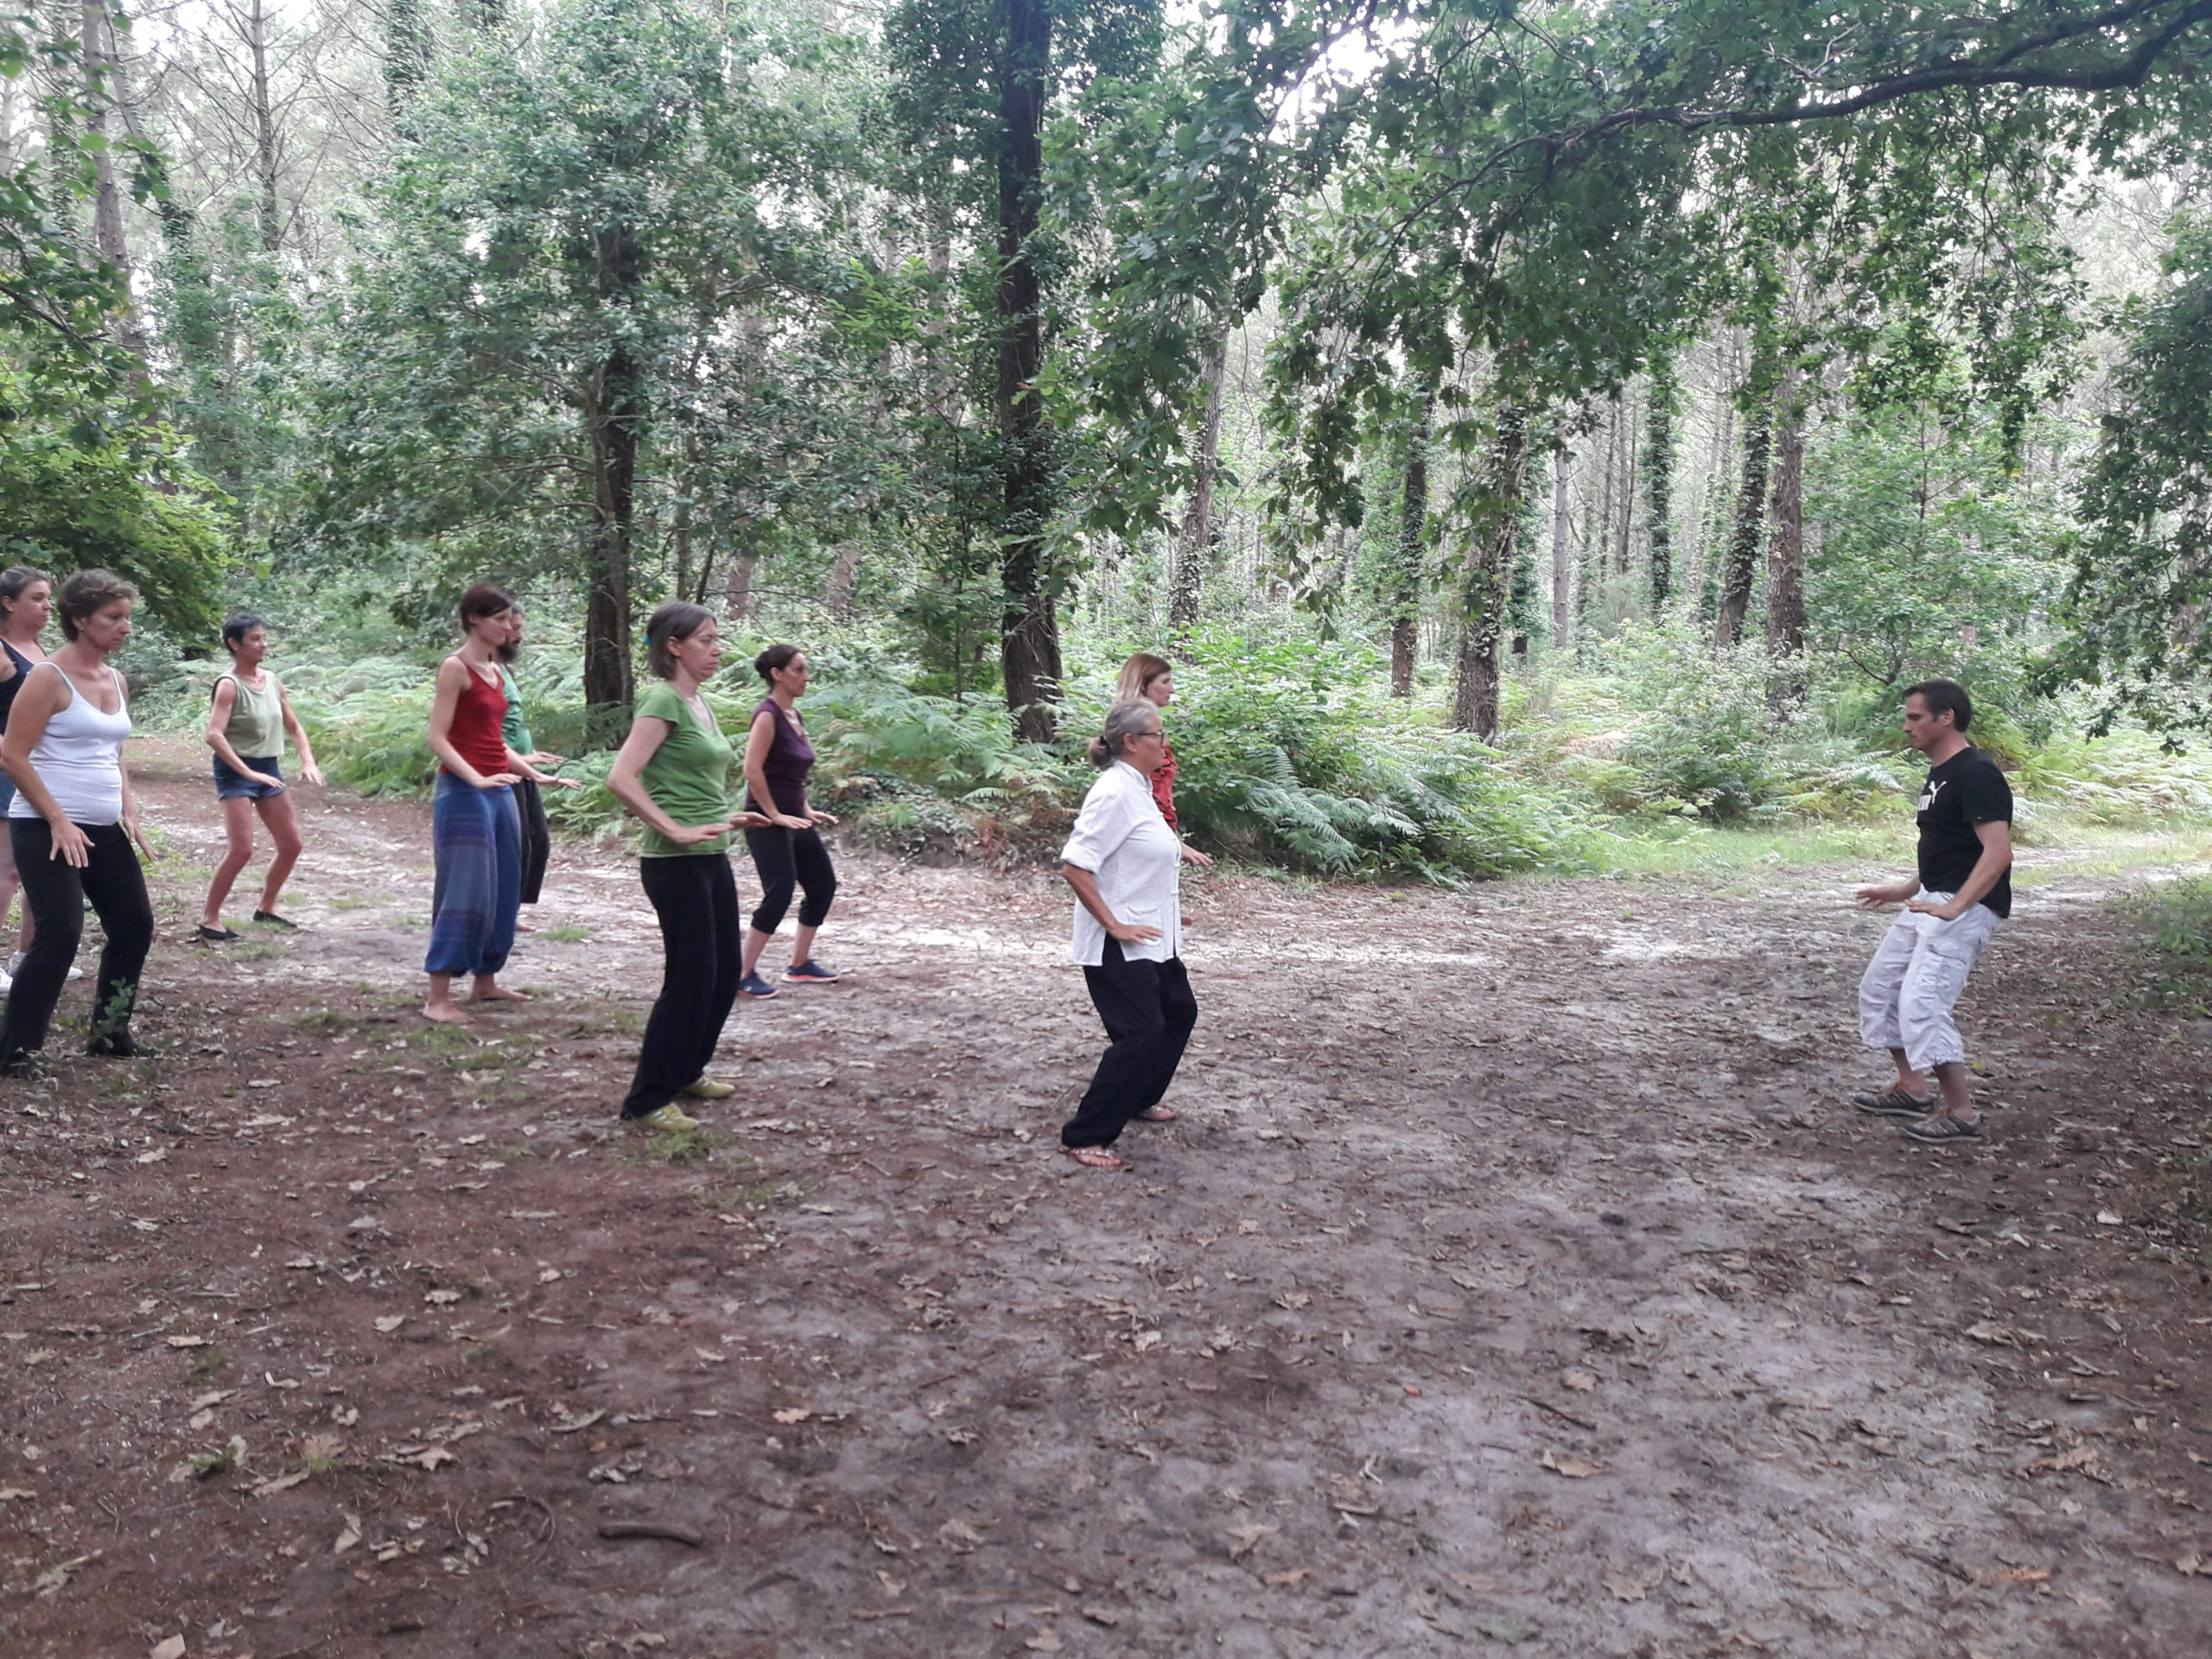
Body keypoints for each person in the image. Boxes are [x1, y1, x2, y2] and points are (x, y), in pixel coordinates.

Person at [606, 601, 769, 1129]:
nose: (717, 649)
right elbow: (621, 777)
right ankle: (647, 1100)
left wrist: (728, 816)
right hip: (673, 862)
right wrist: (673, 828)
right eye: (706, 640)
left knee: (722, 974)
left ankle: (686, 1070)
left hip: (711, 854)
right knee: (691, 977)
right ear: (674, 647)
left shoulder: (699, 702)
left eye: (717, 639)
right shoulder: (663, 699)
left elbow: (693, 781)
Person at [0, 569, 157, 1074]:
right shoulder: (48, 677)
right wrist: (59, 820)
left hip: (102, 829)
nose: (125, 627)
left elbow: (113, 753)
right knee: (61, 931)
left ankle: (110, 1034)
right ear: (81, 619)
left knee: (134, 925)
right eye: (114, 617)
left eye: (127, 617)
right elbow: (12, 754)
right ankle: (16, 1051)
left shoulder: (116, 679)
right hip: (44, 826)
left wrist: (129, 812)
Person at [1852, 679, 2013, 1144]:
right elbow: (1948, 848)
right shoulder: (1941, 773)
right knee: (1881, 989)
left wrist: (1957, 906)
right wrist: (1904, 889)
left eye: (1915, 717)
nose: (1907, 727)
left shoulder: (1977, 772)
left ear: (1947, 718)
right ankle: (1913, 1088)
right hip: (1933, 899)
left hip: (1966, 907)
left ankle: (1962, 1114)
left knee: (1922, 1003)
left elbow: (1998, 853)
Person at [1057, 698, 1198, 1170]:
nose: (1165, 743)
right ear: (1133, 742)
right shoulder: (1114, 792)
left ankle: (1139, 1098)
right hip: (1117, 943)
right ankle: (1085, 1135)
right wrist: (1113, 924)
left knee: (1179, 1012)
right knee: (1140, 1033)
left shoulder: (1139, 788)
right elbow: (1075, 866)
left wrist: (1169, 910)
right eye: (1158, 735)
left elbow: (1137, 860)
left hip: (1154, 933)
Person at [422, 584, 529, 1026]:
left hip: (499, 789)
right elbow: (438, 738)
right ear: (474, 620)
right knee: (464, 889)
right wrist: (475, 778)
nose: (508, 626)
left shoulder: (496, 669)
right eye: (499, 619)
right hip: (464, 792)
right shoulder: (456, 667)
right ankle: (437, 998)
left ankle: (486, 980)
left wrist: (531, 770)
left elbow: (492, 739)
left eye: (508, 619)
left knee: (504, 885)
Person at [197, 614, 324, 942]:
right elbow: (214, 735)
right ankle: (209, 919)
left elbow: (294, 726)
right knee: (241, 850)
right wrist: (246, 772)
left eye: (265, 638)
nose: (263, 644)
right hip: (235, 770)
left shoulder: (272, 680)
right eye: (255, 639)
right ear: (234, 644)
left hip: (269, 767)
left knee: (291, 844)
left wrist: (308, 760)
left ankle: (266, 908)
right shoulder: (229, 685)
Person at [738, 644, 841, 998]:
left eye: (806, 670)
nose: (806, 677)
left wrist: (806, 809)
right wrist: (774, 814)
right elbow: (752, 769)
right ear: (777, 674)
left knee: (822, 886)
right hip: (765, 821)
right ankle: (742, 973)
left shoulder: (795, 716)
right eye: (798, 670)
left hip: (795, 819)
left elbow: (791, 775)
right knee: (779, 892)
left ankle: (799, 965)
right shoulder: (767, 715)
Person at [496, 604, 580, 918]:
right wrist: (521, 759)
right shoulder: (484, 672)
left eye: (519, 627)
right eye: (514, 627)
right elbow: (487, 729)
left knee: (536, 841)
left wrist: (530, 758)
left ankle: (512, 909)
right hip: (504, 770)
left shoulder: (505, 670)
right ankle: (502, 911)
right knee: (515, 843)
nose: (518, 635)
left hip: (523, 768)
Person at [0, 566, 60, 995]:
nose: (47, 606)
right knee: (6, 869)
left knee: (40, 867)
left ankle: (29, 958)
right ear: (8, 603)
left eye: (49, 598)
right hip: (8, 771)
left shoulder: (40, 650)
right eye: (37, 598)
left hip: (46, 770)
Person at [1116, 652, 1213, 869]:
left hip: (1157, 835)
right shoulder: (1134, 729)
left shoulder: (1145, 724)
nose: (1172, 689)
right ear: (1143, 684)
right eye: (1165, 682)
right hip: (1145, 839)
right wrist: (1172, 842)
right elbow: (1141, 794)